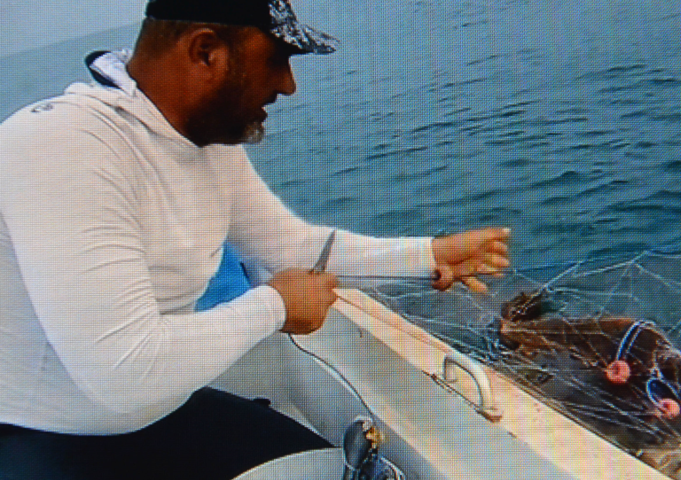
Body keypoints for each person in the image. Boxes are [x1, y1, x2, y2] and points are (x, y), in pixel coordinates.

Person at [0, 0, 510, 478]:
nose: (287, 85)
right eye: (277, 59)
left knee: (341, 470)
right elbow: (123, 371)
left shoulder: (202, 141)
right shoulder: (62, 145)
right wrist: (274, 306)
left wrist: (428, 256)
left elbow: (293, 247)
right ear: (206, 51)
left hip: (162, 408)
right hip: (49, 437)